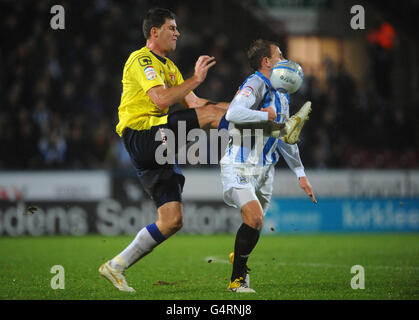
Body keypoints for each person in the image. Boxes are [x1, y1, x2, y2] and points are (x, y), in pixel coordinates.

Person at [98, 7, 229, 292]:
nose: (178, 32)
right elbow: (159, 100)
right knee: (212, 118)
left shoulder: (169, 68)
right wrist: (194, 80)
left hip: (157, 147)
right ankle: (248, 155)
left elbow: (197, 105)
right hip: (143, 135)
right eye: (172, 27)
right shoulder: (141, 59)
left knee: (172, 220)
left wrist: (243, 107)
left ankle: (116, 265)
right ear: (154, 32)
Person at [219, 39, 316, 293]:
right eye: (279, 55)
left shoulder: (282, 95)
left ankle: (239, 256)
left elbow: (284, 137)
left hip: (265, 170)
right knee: (254, 217)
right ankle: (237, 280)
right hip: (240, 165)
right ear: (267, 61)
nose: (284, 59)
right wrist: (265, 116)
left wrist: (300, 174)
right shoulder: (255, 84)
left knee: (256, 225)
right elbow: (233, 113)